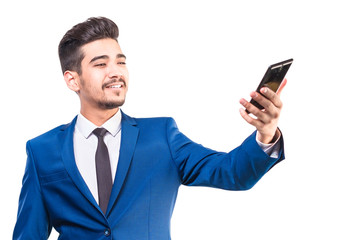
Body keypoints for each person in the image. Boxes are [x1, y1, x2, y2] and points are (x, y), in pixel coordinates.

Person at [13, 17, 286, 240]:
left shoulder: (162, 137)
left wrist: (265, 134)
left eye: (120, 61)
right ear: (73, 80)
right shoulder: (42, 150)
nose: (115, 71)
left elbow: (232, 173)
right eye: (100, 64)